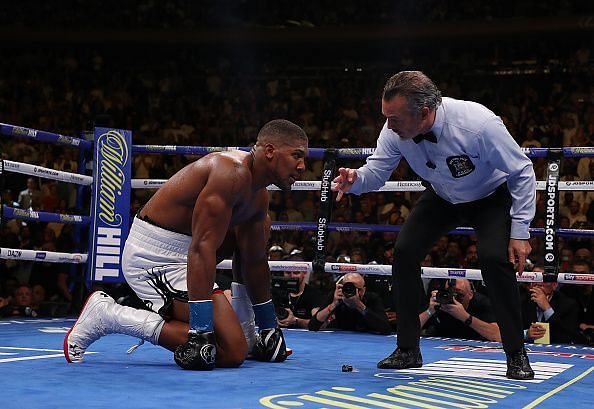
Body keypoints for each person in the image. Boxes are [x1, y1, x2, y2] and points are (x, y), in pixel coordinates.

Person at [332, 71, 536, 379]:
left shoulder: (478, 124)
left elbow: (522, 171)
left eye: (395, 118)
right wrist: (356, 179)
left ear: (425, 112)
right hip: (441, 195)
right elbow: (377, 170)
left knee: (495, 260)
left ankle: (516, 353)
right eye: (387, 117)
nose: (389, 125)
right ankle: (408, 349)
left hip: (489, 198)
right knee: (404, 251)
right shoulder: (395, 128)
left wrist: (520, 232)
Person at [64, 119, 308, 370]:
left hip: (189, 253)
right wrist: (200, 332)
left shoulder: (258, 195)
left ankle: (250, 334)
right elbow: (202, 249)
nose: (302, 167)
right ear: (270, 151)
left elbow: (255, 261)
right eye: (296, 156)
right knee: (231, 352)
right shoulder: (230, 172)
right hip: (156, 258)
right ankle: (109, 315)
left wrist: (269, 326)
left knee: (258, 227)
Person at [308, 273, 392, 335]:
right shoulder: (337, 296)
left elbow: (386, 328)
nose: (349, 290)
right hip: (341, 339)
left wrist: (359, 305)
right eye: (347, 286)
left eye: (354, 288)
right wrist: (334, 304)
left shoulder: (372, 298)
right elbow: (312, 326)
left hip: (367, 340)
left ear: (362, 290)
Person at [421, 279, 501, 342]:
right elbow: (410, 331)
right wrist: (429, 311)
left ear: (470, 294)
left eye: (459, 295)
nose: (454, 299)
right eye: (450, 294)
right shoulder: (440, 301)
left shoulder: (482, 303)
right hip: (441, 348)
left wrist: (465, 317)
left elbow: (498, 336)